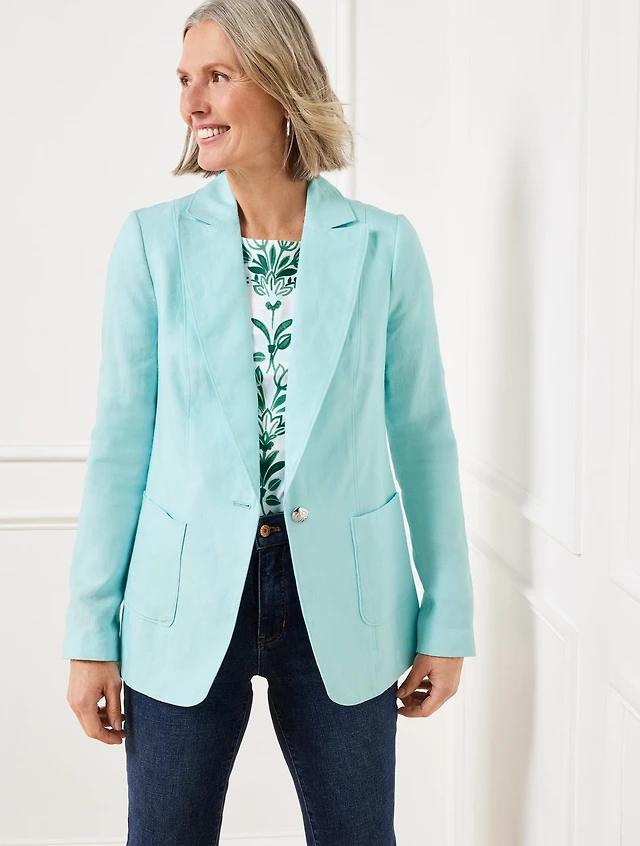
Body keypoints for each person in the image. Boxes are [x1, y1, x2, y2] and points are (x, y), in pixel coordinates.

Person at [62, 1, 476, 843]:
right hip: (183, 596)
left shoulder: (384, 247)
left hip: (346, 599)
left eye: (217, 77)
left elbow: (424, 439)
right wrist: (89, 635)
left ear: (283, 85)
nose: (192, 103)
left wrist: (448, 619)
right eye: (185, 80)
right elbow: (118, 448)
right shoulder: (151, 245)